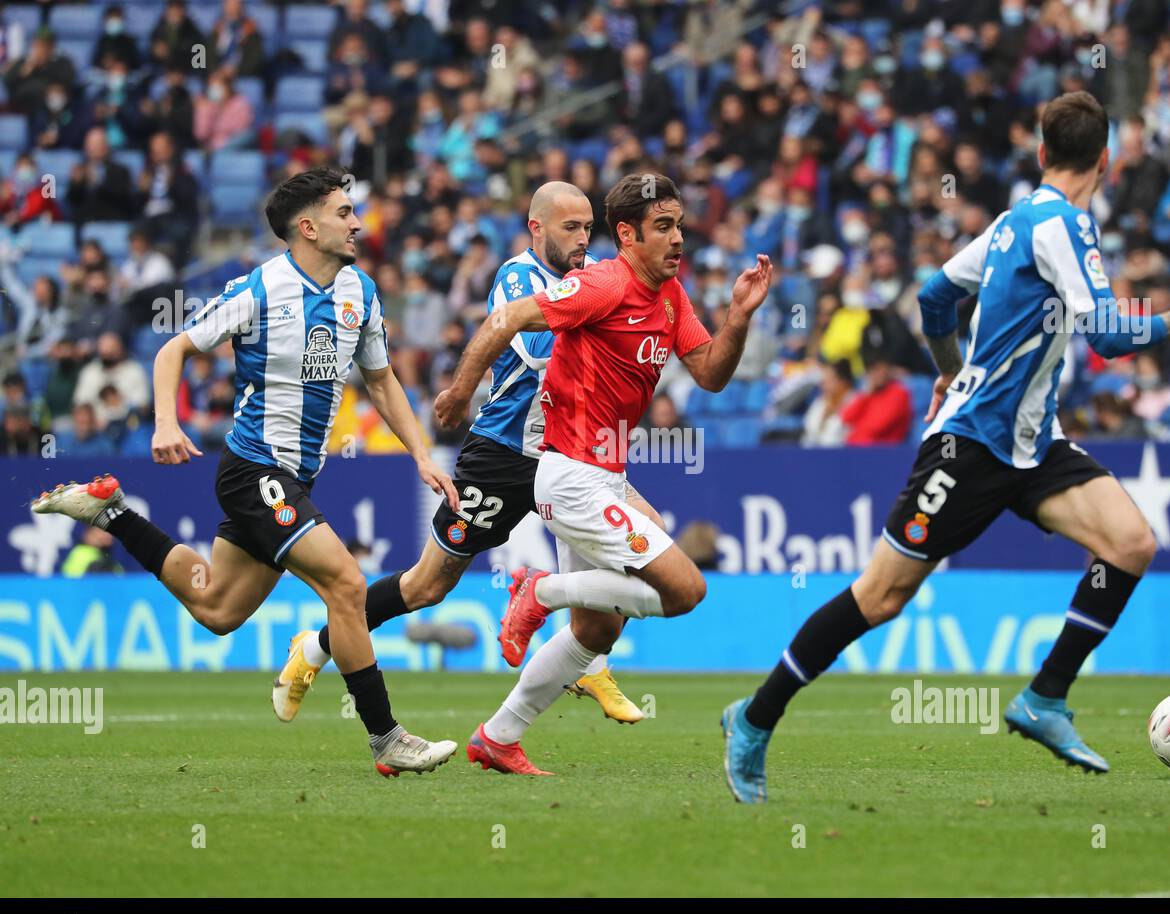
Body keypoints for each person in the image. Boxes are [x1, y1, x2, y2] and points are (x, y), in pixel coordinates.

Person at [719, 92, 1170, 802]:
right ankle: (753, 716)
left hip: (1031, 441)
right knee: (880, 596)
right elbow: (1109, 337)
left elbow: (933, 298)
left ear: (1042, 153)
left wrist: (948, 370)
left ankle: (1044, 699)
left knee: (1131, 542)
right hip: (970, 444)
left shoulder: (1008, 224)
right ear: (1106, 160)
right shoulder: (1064, 225)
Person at [32, 167, 462, 778]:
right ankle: (386, 737)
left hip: (295, 478)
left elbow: (381, 377)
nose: (358, 223)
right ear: (307, 227)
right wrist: (164, 422)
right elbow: (172, 348)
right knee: (345, 584)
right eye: (344, 213)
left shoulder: (360, 293)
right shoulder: (258, 289)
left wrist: (420, 452)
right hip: (254, 467)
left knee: (217, 609)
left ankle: (111, 513)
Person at [434, 172, 772, 775]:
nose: (677, 240)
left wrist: (740, 317)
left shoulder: (672, 296)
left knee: (596, 632)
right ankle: (538, 592)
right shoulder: (601, 285)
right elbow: (506, 317)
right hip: (568, 478)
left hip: (605, 477)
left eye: (680, 227)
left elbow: (712, 374)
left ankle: (498, 736)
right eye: (662, 227)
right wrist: (461, 394)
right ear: (628, 234)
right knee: (687, 590)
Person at [286, 182, 649, 729]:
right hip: (504, 455)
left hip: (575, 455)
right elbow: (542, 353)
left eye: (587, 228)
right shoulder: (518, 278)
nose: (582, 240)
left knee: (644, 546)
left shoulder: (595, 276)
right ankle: (313, 648)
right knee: (428, 585)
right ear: (537, 228)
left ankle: (589, 661)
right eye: (570, 228)